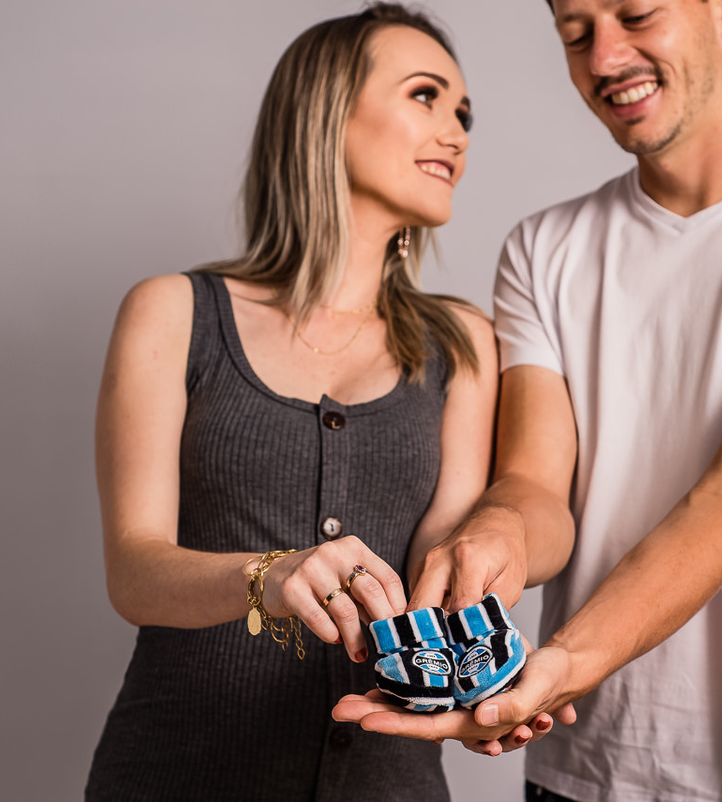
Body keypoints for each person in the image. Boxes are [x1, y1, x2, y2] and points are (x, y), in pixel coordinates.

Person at [335, 1, 722, 800]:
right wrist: (498, 528)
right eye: (576, 34)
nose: (605, 58)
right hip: (581, 767)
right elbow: (536, 485)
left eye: (637, 13)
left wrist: (563, 664)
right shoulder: (543, 248)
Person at [85, 5, 501, 800]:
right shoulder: (173, 314)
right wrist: (267, 576)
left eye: (464, 115)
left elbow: (444, 572)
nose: (456, 134)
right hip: (178, 774)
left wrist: (493, 685)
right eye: (425, 96)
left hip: (389, 783)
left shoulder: (462, 342)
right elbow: (134, 571)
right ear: (327, 109)